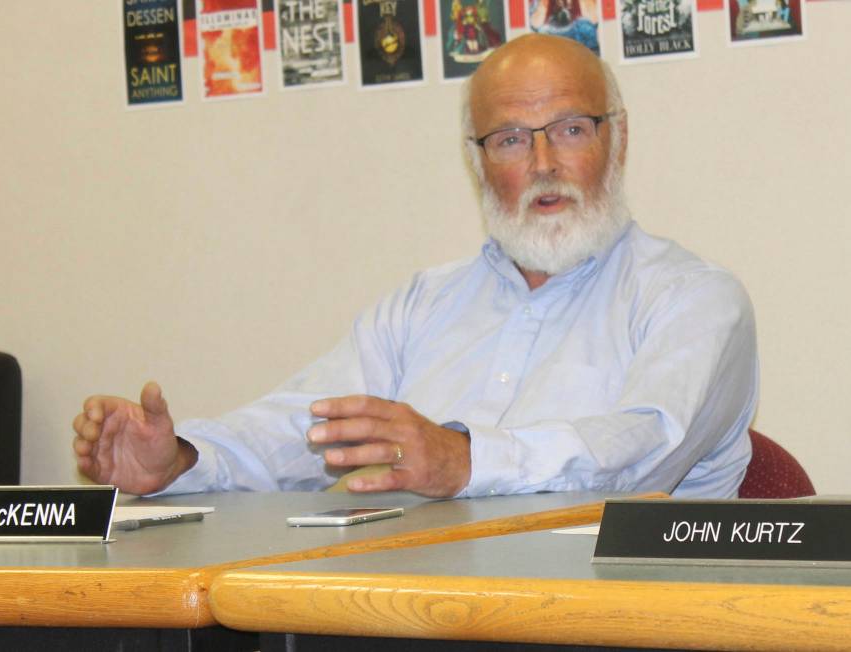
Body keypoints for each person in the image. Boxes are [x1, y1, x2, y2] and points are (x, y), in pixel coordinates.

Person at [73, 34, 757, 500]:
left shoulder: (695, 300)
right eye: (511, 140)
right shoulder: (425, 303)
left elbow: (643, 449)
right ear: (478, 162)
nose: (544, 163)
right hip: (414, 612)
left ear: (619, 140)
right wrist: (182, 458)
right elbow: (308, 428)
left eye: (571, 129)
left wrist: (465, 461)